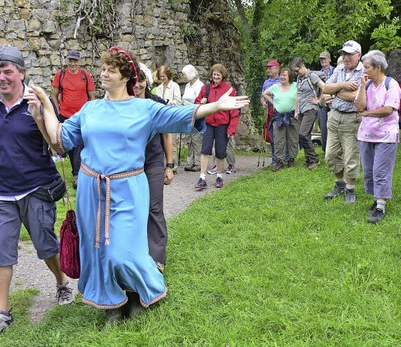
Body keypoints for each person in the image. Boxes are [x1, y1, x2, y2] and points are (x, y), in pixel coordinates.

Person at [27, 47, 248, 324]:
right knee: (99, 250)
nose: (104, 74)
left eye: (111, 70)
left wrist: (216, 106)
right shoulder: (91, 108)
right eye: (103, 68)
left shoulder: (145, 109)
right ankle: (113, 306)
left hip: (128, 188)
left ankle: (141, 292)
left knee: (123, 252)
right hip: (91, 189)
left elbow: (181, 116)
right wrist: (45, 108)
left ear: (125, 76)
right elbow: (60, 138)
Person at [0, 45, 73, 339]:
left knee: (45, 245)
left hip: (36, 187)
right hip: (1, 192)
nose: (1, 77)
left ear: (21, 73)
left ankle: (61, 281)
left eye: (8, 72)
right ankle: (2, 312)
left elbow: (58, 147)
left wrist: (39, 116)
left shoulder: (39, 101)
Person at [133, 63, 173, 274]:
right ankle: (138, 253)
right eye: (133, 80)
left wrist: (169, 165)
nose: (137, 84)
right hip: (130, 165)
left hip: (154, 162)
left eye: (140, 80)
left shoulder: (156, 103)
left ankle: (157, 258)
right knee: (134, 210)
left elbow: (167, 135)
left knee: (154, 208)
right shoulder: (122, 103)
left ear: (146, 81)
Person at [354, 50, 401, 224]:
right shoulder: (367, 85)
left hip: (386, 135)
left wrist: (368, 112)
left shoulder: (391, 85)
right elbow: (359, 107)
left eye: (367, 67)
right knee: (368, 171)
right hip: (366, 134)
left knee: (380, 171)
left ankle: (381, 207)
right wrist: (360, 86)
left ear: (378, 67)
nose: (364, 71)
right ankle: (375, 200)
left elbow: (389, 109)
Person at [322, 40, 365, 204]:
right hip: (334, 117)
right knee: (330, 155)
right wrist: (343, 85)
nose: (346, 57)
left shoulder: (363, 72)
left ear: (358, 55)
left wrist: (336, 91)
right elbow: (325, 88)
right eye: (344, 54)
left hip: (352, 118)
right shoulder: (339, 69)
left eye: (350, 54)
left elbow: (356, 97)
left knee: (351, 157)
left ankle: (350, 189)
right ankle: (340, 183)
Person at [51, 49, 96, 188]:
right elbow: (54, 95)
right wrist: (57, 112)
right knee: (69, 146)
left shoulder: (85, 75)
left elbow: (92, 96)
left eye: (75, 61)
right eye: (70, 60)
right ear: (67, 61)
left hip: (82, 116)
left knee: (80, 145)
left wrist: (89, 112)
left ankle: (77, 175)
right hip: (65, 115)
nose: (72, 63)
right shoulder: (60, 75)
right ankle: (78, 172)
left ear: (79, 62)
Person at [194, 63, 241, 190]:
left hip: (222, 125)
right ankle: (202, 177)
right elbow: (196, 104)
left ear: (223, 76)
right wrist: (201, 102)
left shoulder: (229, 89)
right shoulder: (206, 88)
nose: (215, 77)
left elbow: (234, 111)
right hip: (208, 124)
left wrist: (231, 129)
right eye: (214, 74)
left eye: (218, 75)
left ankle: (219, 176)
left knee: (220, 152)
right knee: (205, 150)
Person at [262, 68, 299, 171]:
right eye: (281, 75)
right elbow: (265, 94)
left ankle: (291, 159)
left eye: (284, 75)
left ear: (289, 77)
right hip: (278, 116)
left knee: (293, 139)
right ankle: (279, 161)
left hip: (292, 115)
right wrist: (273, 103)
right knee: (278, 139)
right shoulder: (275, 87)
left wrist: (297, 111)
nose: (282, 77)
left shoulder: (295, 85)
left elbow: (298, 97)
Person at [291, 57, 321, 169]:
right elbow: (297, 94)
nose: (296, 72)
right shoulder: (299, 78)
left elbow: (324, 87)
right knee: (303, 136)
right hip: (301, 110)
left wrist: (318, 100)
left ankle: (314, 159)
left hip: (311, 109)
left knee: (302, 134)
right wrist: (296, 110)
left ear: (302, 66)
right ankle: (309, 160)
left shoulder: (312, 75)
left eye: (297, 70)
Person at [154, 65, 183, 173]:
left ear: (168, 75)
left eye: (164, 76)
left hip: (171, 116)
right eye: (160, 76)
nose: (162, 79)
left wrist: (166, 102)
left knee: (172, 141)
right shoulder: (159, 88)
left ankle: (172, 165)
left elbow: (178, 101)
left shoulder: (174, 86)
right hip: (162, 117)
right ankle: (161, 164)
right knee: (161, 141)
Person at [181, 64, 205, 172]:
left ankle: (198, 163)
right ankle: (190, 162)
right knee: (189, 139)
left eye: (184, 74)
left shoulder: (200, 85)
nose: (183, 76)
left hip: (196, 114)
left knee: (196, 139)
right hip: (187, 114)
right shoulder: (187, 86)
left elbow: (199, 101)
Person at [261, 60, 282, 165]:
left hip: (279, 110)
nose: (268, 70)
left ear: (277, 69)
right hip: (269, 110)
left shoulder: (281, 80)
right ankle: (274, 159)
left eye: (271, 67)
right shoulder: (266, 82)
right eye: (267, 68)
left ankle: (281, 158)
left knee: (279, 134)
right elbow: (262, 96)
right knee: (270, 134)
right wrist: (263, 102)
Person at [317, 51, 335, 152]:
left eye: (324, 58)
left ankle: (334, 150)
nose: (323, 61)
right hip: (322, 103)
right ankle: (325, 150)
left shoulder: (336, 71)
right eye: (321, 59)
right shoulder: (317, 74)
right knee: (323, 126)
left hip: (334, 102)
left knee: (333, 127)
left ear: (329, 59)